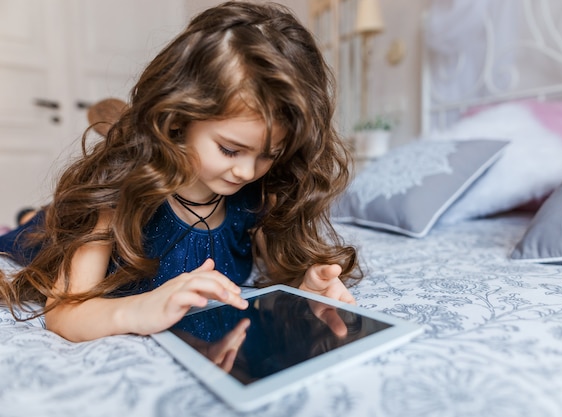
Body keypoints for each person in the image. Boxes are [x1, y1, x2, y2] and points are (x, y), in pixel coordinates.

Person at [0, 1, 361, 343]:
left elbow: (275, 270)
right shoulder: (115, 196)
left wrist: (303, 288)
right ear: (178, 120)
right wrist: (140, 308)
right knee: (41, 231)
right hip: (57, 227)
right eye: (230, 149)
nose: (247, 171)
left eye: (270, 154)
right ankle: (31, 216)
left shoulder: (257, 195)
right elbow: (62, 313)